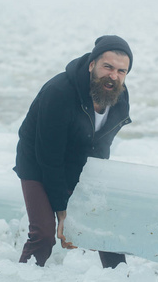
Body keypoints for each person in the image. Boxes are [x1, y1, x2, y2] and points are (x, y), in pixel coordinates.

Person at [13, 35, 133, 268]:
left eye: (122, 71)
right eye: (107, 67)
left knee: (106, 228)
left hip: (77, 162)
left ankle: (119, 279)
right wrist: (62, 211)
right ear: (92, 65)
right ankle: (21, 278)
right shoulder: (59, 92)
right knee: (44, 234)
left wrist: (91, 193)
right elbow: (49, 157)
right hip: (37, 162)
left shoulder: (119, 98)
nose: (114, 76)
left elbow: (101, 148)